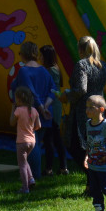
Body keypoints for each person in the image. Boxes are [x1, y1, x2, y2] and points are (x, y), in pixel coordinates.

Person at [65, 36, 106, 183]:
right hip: (98, 112)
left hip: (82, 111)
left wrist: (67, 95)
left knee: (76, 146)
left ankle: (93, 179)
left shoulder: (81, 65)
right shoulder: (102, 66)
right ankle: (94, 181)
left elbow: (81, 89)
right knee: (94, 147)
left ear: (80, 49)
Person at [10, 41, 55, 180]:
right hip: (45, 113)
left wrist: (41, 108)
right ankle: (31, 174)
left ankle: (34, 175)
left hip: (30, 113)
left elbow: (31, 91)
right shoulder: (44, 71)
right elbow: (53, 90)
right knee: (36, 141)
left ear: (24, 54)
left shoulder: (24, 71)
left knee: (31, 143)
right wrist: (46, 106)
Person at [39, 44, 69, 176]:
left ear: (45, 56)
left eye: (41, 55)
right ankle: (63, 167)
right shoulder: (56, 68)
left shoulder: (49, 70)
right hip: (55, 107)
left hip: (51, 107)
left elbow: (48, 89)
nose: (39, 57)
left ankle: (49, 168)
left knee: (49, 139)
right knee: (56, 139)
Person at [10, 87, 41, 194]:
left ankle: (25, 188)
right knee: (25, 161)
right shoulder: (34, 110)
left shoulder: (18, 110)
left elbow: (11, 123)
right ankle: (31, 178)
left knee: (22, 164)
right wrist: (31, 128)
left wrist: (12, 109)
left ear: (18, 99)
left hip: (21, 142)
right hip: (32, 142)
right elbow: (38, 126)